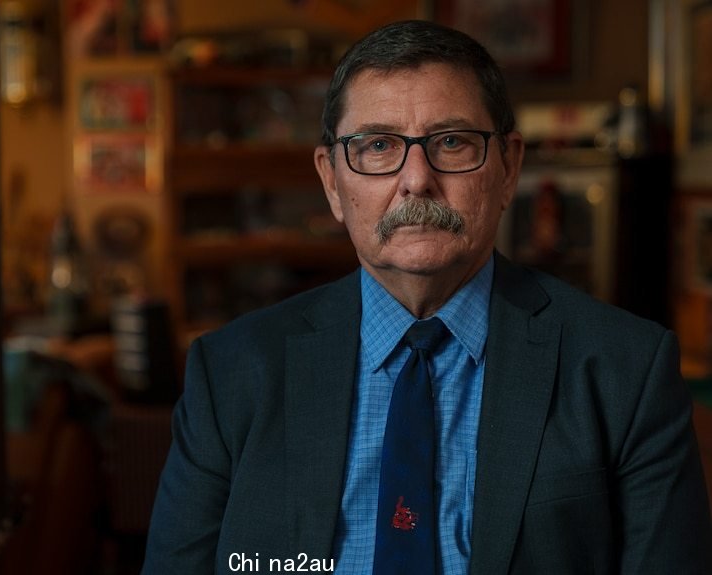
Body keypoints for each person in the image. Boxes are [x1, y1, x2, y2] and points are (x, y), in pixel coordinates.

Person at [142, 19, 712, 574]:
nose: (416, 178)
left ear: (509, 167)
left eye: (453, 142)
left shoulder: (627, 372)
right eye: (378, 146)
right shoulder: (230, 374)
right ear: (331, 181)